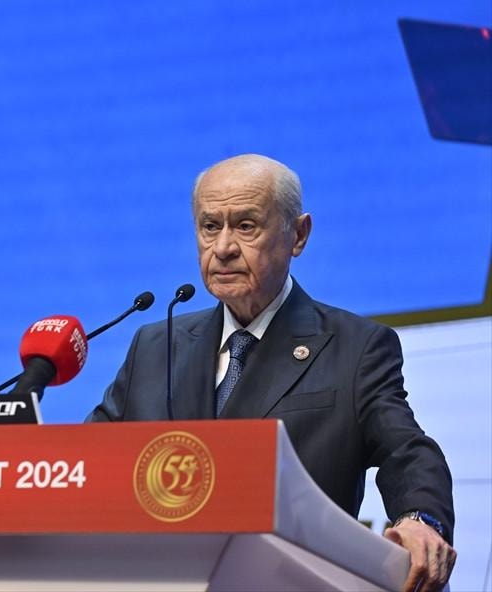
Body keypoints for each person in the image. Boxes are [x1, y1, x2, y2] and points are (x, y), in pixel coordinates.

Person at [88, 154, 456, 592]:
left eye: (246, 226)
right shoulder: (155, 345)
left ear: (298, 235)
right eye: (210, 227)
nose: (223, 247)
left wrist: (420, 520)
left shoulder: (355, 346)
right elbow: (89, 458)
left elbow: (407, 452)